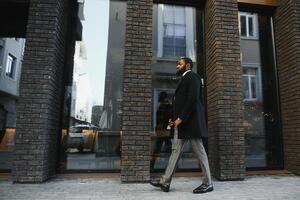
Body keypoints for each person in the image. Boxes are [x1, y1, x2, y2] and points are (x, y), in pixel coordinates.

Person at [149, 57, 213, 194]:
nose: (177, 65)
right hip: (182, 123)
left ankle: (208, 183)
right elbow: (181, 102)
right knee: (175, 152)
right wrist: (174, 119)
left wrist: (181, 118)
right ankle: (165, 182)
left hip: (191, 123)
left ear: (188, 65)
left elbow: (193, 99)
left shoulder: (193, 77)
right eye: (177, 64)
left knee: (200, 152)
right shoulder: (184, 79)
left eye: (180, 63)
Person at [150, 91, 173, 171]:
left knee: (159, 148)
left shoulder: (164, 106)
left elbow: (169, 119)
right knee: (168, 149)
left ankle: (152, 165)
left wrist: (168, 128)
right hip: (163, 131)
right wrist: (168, 128)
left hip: (163, 131)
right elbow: (169, 119)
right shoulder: (165, 106)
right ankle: (173, 166)